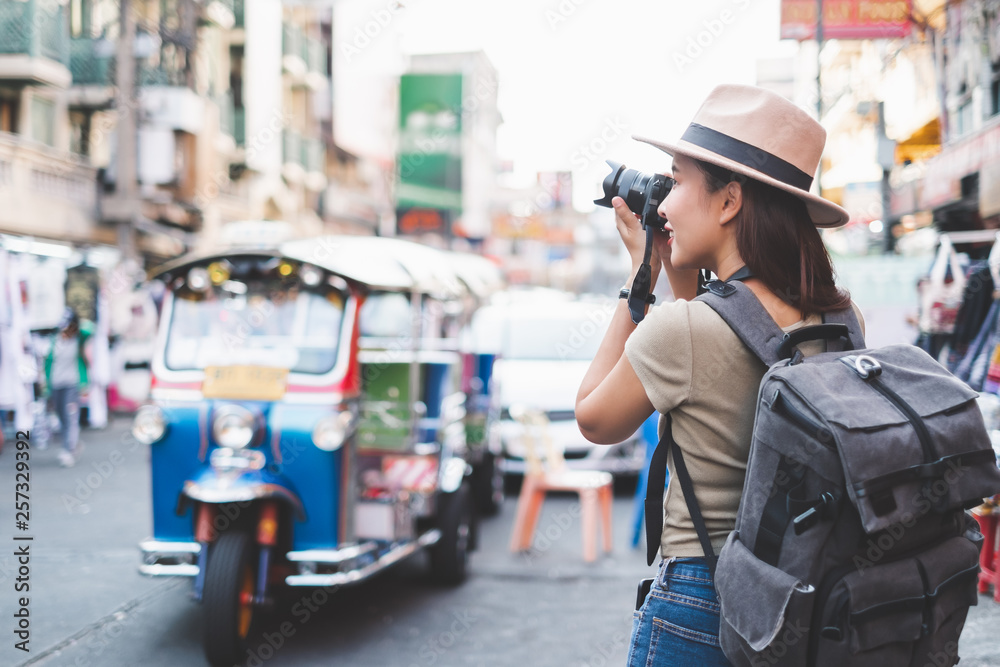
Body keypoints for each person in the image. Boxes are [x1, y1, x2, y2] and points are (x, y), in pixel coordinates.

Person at [575, 84, 863, 666]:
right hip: (808, 600)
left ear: (729, 202)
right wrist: (675, 265)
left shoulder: (682, 333)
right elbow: (730, 326)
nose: (664, 205)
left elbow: (594, 418)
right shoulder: (839, 317)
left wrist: (639, 279)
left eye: (676, 181)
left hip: (703, 605)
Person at [44, 308, 92, 467]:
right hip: (56, 385)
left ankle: (68, 449)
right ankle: (72, 444)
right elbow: (48, 364)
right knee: (62, 417)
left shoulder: (79, 339)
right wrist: (46, 386)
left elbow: (92, 328)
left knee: (71, 416)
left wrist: (76, 325)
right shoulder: (54, 340)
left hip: (72, 385)